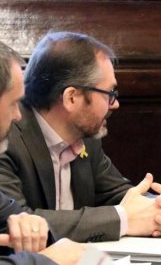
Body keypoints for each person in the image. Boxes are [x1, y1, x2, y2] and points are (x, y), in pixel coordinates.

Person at [0, 31, 161, 243]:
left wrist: (157, 206)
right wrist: (123, 219)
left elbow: (117, 195)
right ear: (72, 98)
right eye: (109, 93)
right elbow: (18, 223)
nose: (115, 104)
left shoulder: (86, 137)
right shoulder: (6, 138)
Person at [0, 39, 100, 264]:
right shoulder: (12, 145)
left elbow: (18, 218)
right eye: (13, 103)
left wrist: (33, 226)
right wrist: (46, 260)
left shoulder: (86, 137)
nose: (18, 115)